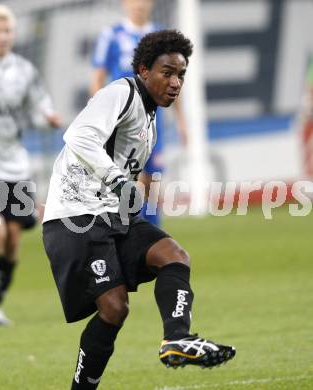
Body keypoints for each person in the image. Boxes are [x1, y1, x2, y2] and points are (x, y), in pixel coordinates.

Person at [42, 29, 235, 389]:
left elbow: (130, 175)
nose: (175, 82)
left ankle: (177, 337)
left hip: (113, 215)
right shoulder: (121, 92)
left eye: (181, 74)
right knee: (114, 308)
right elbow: (79, 136)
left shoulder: (150, 121)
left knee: (173, 255)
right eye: (167, 72)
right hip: (74, 216)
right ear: (144, 70)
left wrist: (132, 199)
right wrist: (119, 182)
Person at [0, 4, 61, 325]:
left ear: (13, 35)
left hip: (15, 166)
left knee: (14, 240)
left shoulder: (25, 71)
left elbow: (40, 102)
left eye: (7, 31)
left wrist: (48, 116)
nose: (2, 37)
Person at [90, 0, 188, 226]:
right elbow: (97, 78)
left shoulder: (162, 38)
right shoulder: (111, 35)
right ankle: (129, 237)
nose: (139, 4)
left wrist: (182, 120)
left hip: (154, 122)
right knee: (127, 181)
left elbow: (173, 82)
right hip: (123, 122)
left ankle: (152, 237)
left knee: (152, 183)